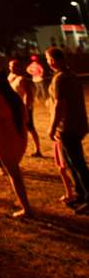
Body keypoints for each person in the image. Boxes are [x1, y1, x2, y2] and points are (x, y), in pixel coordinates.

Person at [0, 69, 32, 218]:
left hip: (6, 140)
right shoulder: (14, 97)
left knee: (14, 174)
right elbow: (26, 119)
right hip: (19, 138)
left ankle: (26, 209)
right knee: (15, 172)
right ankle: (22, 202)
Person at [46, 47, 89, 213]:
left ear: (54, 60)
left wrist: (52, 127)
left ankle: (87, 196)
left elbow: (59, 105)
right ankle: (80, 193)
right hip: (77, 124)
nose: (48, 62)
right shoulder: (72, 75)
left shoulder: (60, 79)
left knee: (77, 163)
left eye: (49, 59)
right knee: (72, 162)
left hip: (67, 126)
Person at [8, 59, 42, 157]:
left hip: (23, 107)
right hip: (15, 106)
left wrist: (26, 109)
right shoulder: (10, 77)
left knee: (30, 127)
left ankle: (38, 149)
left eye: (14, 66)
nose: (11, 68)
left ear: (19, 67)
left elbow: (28, 95)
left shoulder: (23, 79)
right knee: (16, 128)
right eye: (10, 66)